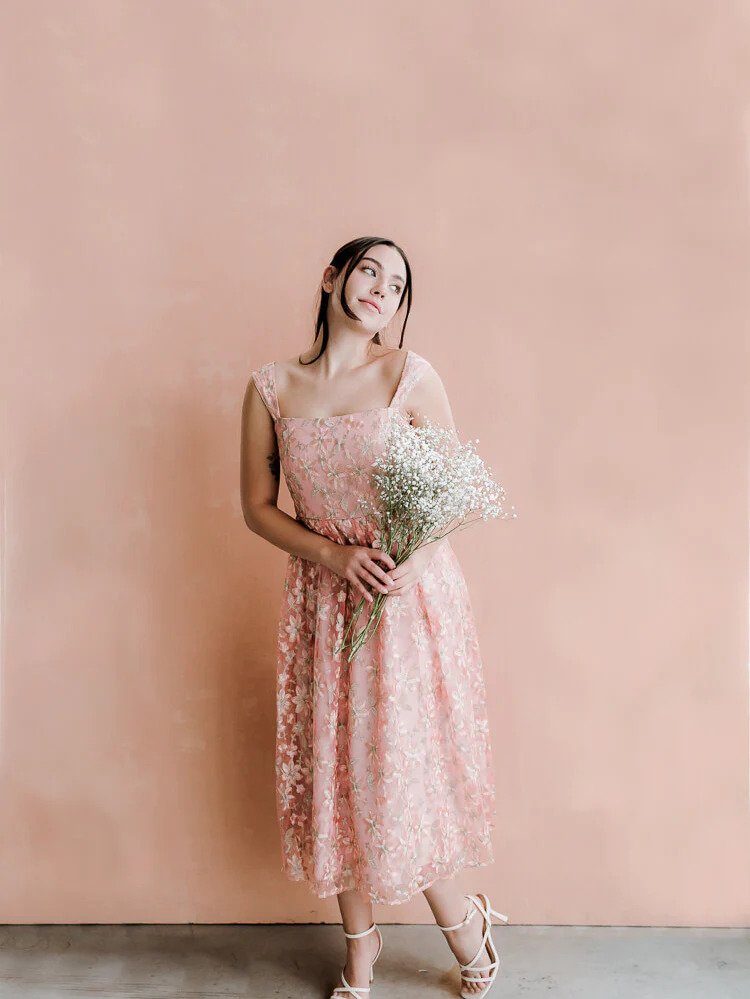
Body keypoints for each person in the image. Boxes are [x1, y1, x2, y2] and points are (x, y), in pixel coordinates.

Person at [240, 236, 509, 998]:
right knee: (340, 774)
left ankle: (465, 926)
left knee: (398, 775)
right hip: (325, 601)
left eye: (396, 284)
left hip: (402, 599)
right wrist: (331, 559)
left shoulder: (409, 376)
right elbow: (256, 508)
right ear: (331, 278)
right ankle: (360, 950)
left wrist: (401, 567)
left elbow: (452, 495)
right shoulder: (271, 387)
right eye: (368, 271)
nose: (380, 289)